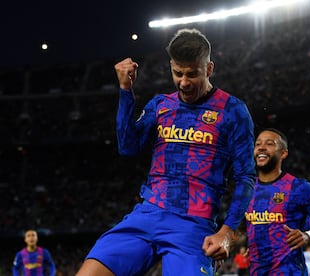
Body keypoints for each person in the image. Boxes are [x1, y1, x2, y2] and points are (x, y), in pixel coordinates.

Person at [76, 28, 256, 276]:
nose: (183, 82)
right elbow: (128, 148)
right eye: (177, 73)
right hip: (147, 214)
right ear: (171, 66)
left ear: (209, 69)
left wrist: (228, 231)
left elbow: (246, 176)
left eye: (192, 74)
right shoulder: (161, 105)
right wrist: (126, 91)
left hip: (193, 224)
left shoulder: (233, 111)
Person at [245, 128, 310, 275]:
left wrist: (308, 236)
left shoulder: (300, 188)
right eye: (257, 144)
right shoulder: (246, 190)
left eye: (269, 143)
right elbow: (241, 229)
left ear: (283, 153)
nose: (261, 147)